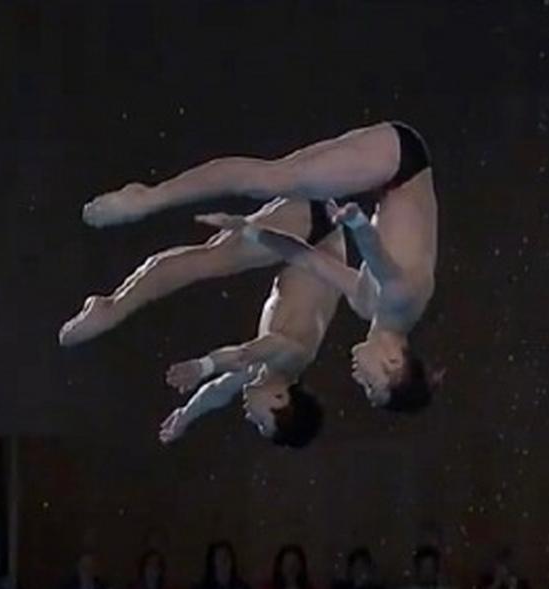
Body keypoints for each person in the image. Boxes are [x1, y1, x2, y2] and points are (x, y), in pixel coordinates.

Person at [78, 121, 440, 412]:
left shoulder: (368, 306)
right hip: (398, 163)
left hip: (387, 178)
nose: (360, 380)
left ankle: (147, 210)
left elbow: (307, 258)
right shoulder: (402, 305)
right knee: (271, 179)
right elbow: (383, 265)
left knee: (268, 184)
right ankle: (148, 198)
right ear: (394, 361)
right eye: (372, 386)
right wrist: (359, 226)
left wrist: (251, 230)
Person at [59, 194, 349, 450]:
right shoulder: (294, 356)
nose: (250, 418)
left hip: (311, 229)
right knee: (210, 258)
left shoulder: (267, 373)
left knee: (210, 255)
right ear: (280, 399)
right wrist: (203, 366)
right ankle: (110, 305)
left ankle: (113, 303)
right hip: (316, 230)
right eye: (262, 423)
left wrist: (186, 416)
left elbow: (219, 391)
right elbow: (249, 351)